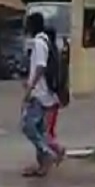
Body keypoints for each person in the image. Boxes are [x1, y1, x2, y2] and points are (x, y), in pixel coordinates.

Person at [20, 12, 59, 177]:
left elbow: (41, 66)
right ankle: (42, 165)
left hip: (39, 94)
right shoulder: (46, 41)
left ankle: (48, 154)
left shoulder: (38, 43)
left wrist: (30, 88)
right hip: (45, 93)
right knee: (40, 129)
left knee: (27, 126)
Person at [42, 29, 67, 162]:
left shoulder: (51, 55)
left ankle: (57, 150)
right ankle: (53, 152)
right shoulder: (56, 53)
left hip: (51, 97)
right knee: (49, 129)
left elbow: (51, 77)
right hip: (55, 97)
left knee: (45, 130)